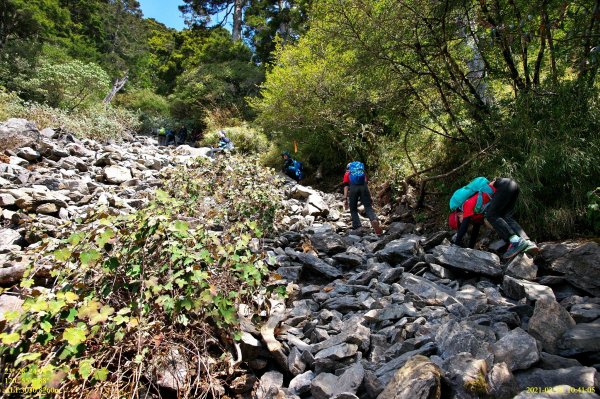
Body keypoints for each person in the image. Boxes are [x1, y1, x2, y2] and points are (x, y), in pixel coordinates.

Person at [449, 177, 538, 258]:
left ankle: (516, 241)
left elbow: (463, 229)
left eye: (460, 221)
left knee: (491, 215)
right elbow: (475, 229)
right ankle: (527, 242)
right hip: (513, 185)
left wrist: (455, 247)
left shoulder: (467, 205)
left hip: (503, 185)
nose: (463, 222)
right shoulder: (477, 210)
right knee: (505, 217)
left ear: (458, 215)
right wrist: (470, 249)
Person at [342, 161, 383, 236]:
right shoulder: (362, 173)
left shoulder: (347, 174)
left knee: (353, 209)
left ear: (348, 168)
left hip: (353, 189)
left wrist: (345, 198)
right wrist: (370, 196)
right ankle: (373, 219)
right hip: (364, 188)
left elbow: (346, 186)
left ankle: (358, 226)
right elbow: (366, 184)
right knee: (368, 207)